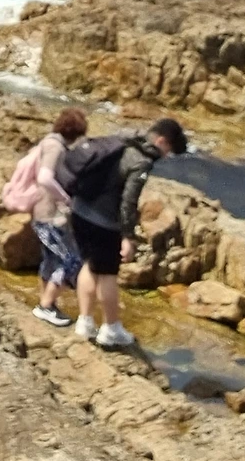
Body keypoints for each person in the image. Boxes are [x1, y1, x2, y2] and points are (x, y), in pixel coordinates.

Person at [67, 117, 187, 351]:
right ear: (161, 141)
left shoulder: (123, 140)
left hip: (80, 210)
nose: (166, 156)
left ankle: (85, 323)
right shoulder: (141, 160)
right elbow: (128, 202)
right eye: (168, 150)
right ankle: (111, 329)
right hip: (103, 221)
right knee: (107, 274)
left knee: (90, 265)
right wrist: (127, 237)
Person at [28, 107, 88, 328]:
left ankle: (47, 304)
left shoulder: (47, 142)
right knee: (72, 261)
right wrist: (65, 199)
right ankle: (45, 306)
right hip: (50, 215)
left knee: (51, 260)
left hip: (40, 212)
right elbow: (45, 178)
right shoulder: (56, 147)